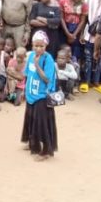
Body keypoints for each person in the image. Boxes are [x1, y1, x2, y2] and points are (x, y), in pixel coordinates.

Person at [21, 30, 58, 159]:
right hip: (31, 94)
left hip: (42, 96)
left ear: (46, 46)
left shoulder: (48, 59)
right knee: (31, 121)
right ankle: (33, 143)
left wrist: (37, 65)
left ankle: (45, 151)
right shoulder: (30, 56)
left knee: (41, 125)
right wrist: (23, 91)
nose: (38, 48)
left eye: (41, 46)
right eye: (36, 46)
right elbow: (26, 74)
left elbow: (47, 79)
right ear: (32, 45)